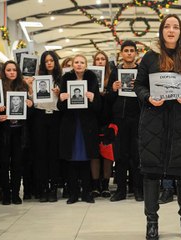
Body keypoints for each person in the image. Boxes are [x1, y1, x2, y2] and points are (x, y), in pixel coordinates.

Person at [134, 14, 181, 240]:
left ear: (180, 31)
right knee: (152, 173)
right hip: (154, 122)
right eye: (167, 26)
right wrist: (147, 98)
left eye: (175, 27)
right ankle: (151, 223)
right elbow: (139, 86)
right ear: (162, 30)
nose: (171, 30)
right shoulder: (150, 57)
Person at [58, 54, 101, 204]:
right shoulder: (66, 79)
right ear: (72, 65)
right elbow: (60, 107)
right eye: (76, 62)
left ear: (86, 64)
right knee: (71, 160)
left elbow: (98, 107)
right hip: (71, 124)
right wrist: (62, 99)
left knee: (85, 159)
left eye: (82, 62)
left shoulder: (92, 78)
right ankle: (73, 193)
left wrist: (93, 98)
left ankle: (87, 193)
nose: (79, 65)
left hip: (87, 125)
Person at [106, 40, 142, 202]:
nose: (129, 53)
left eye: (131, 50)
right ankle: (120, 190)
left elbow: (147, 96)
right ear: (121, 53)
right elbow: (108, 97)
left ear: (136, 53)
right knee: (120, 155)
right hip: (119, 119)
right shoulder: (115, 71)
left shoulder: (142, 72)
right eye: (126, 50)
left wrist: (139, 88)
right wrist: (113, 89)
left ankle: (138, 190)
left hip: (137, 118)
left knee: (137, 155)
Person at [0, 60, 33, 205]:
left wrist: (29, 104)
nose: (11, 72)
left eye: (14, 70)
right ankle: (6, 193)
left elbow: (29, 112)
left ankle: (16, 193)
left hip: (19, 132)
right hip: (4, 131)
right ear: (4, 71)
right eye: (9, 70)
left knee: (17, 164)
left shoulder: (22, 86)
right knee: (3, 163)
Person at [31, 51, 62, 202]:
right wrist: (30, 89)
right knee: (41, 153)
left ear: (56, 62)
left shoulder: (61, 79)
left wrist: (60, 92)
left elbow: (65, 101)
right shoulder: (37, 79)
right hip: (40, 116)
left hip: (56, 117)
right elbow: (32, 100)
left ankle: (53, 188)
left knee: (53, 154)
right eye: (46, 61)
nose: (49, 63)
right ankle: (42, 187)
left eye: (51, 60)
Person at [92, 50, 113, 198]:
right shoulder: (89, 78)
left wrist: (109, 92)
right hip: (93, 119)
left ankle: (105, 185)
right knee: (94, 154)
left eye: (102, 59)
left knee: (107, 154)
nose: (100, 61)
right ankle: (95, 186)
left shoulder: (112, 77)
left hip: (108, 119)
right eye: (97, 59)